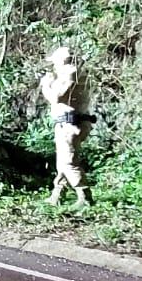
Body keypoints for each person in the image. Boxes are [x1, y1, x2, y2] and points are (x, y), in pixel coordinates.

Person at [40, 45, 93, 205]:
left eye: (55, 62)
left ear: (60, 61)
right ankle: (57, 194)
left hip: (69, 124)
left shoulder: (71, 74)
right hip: (70, 122)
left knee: (68, 162)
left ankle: (84, 195)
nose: (53, 65)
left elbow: (56, 97)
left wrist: (45, 85)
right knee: (62, 161)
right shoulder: (75, 74)